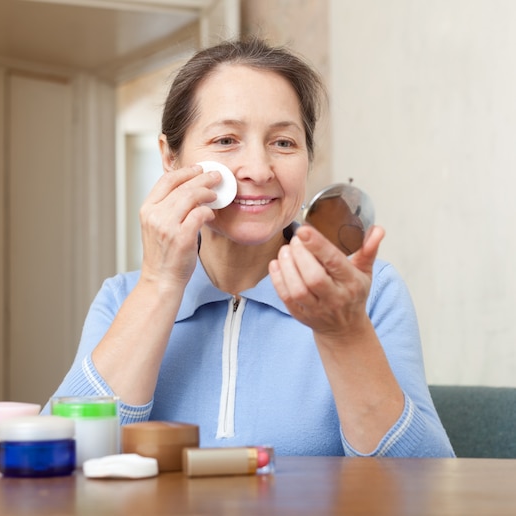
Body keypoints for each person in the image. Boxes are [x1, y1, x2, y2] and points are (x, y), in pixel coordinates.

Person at [44, 38, 454, 457]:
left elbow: (425, 486)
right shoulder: (121, 299)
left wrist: (345, 333)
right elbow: (55, 464)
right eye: (225, 140)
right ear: (171, 157)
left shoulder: (368, 292)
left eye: (283, 143)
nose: (258, 170)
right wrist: (160, 283)